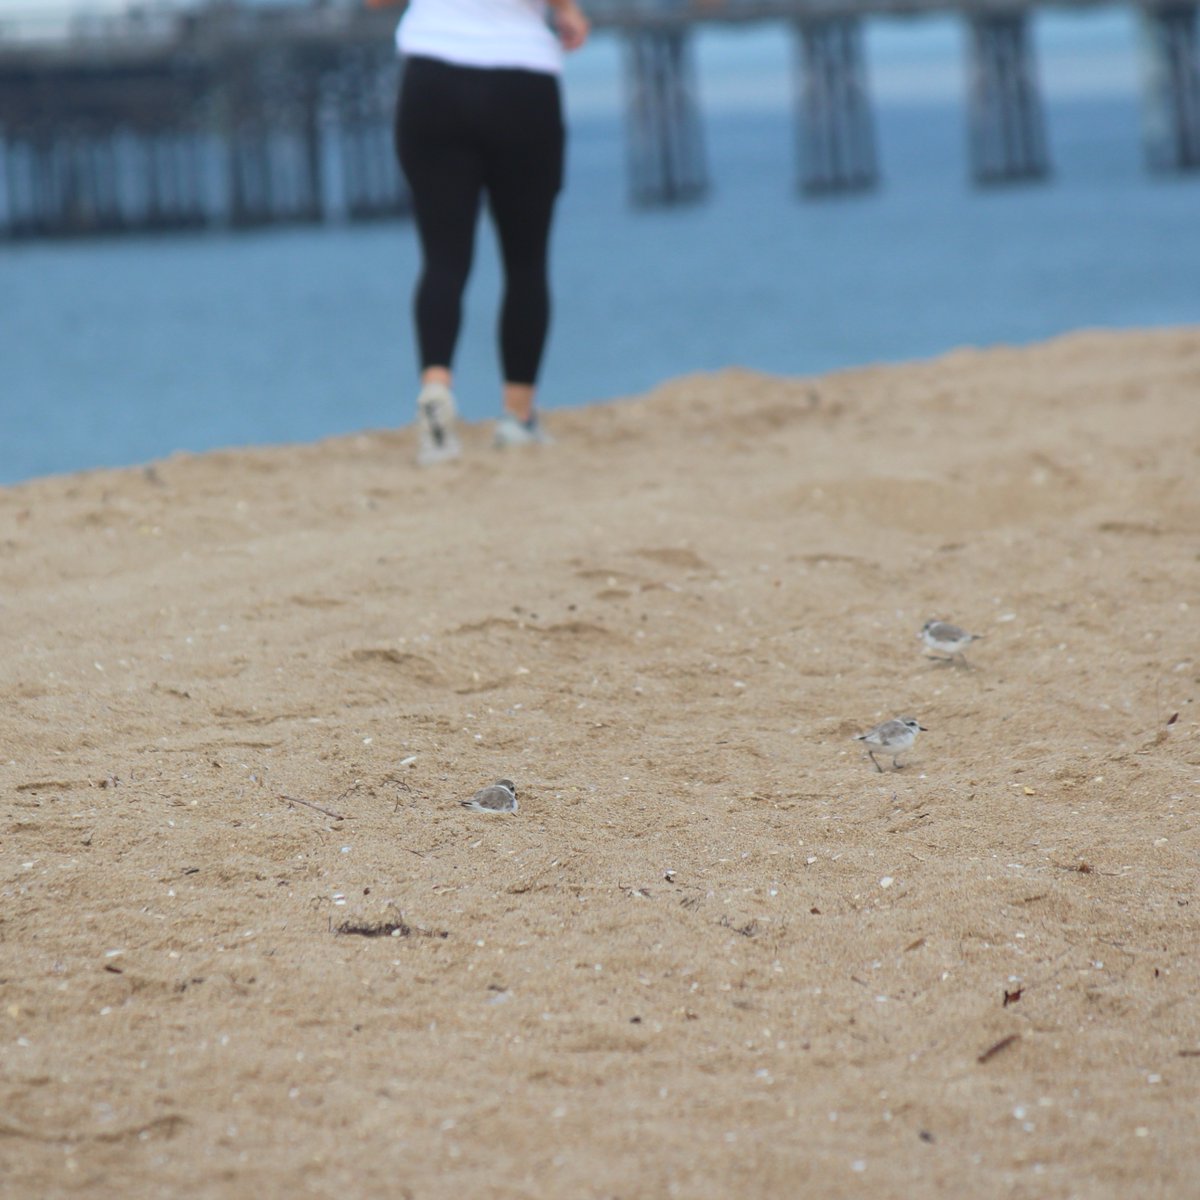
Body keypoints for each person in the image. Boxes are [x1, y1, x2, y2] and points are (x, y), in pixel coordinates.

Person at [393, 0, 590, 466]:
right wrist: (567, 11)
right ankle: (517, 418)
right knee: (526, 263)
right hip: (522, 79)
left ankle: (436, 388)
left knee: (443, 260)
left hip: (432, 76)